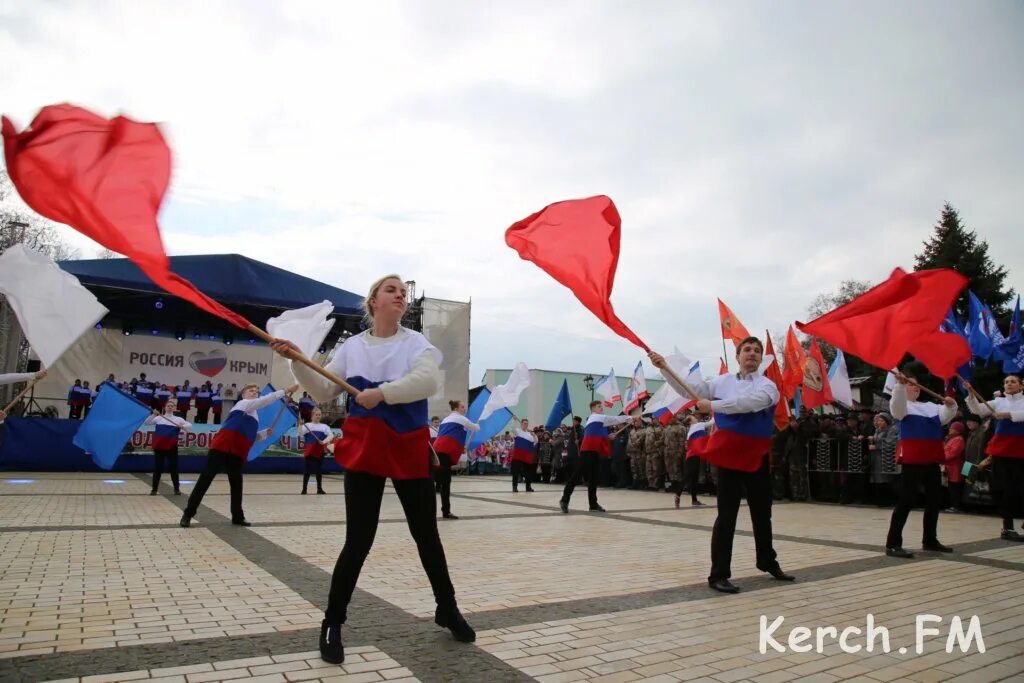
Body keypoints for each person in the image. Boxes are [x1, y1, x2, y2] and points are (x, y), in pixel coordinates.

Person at [270, 274, 475, 664]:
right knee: (358, 539)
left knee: (426, 535)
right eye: (391, 290)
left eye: (402, 292)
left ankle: (446, 608)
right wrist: (297, 362)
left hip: (407, 446)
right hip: (365, 447)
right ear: (373, 302)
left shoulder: (417, 344)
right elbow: (325, 389)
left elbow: (427, 380)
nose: (400, 295)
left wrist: (381, 393)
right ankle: (332, 621)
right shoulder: (353, 348)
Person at [651, 337, 794, 594]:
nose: (752, 353)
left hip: (756, 456)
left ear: (761, 358)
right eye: (747, 350)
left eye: (757, 351)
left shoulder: (768, 385)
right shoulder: (721, 382)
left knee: (762, 513)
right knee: (726, 515)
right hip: (728, 454)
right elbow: (688, 390)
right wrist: (664, 368)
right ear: (737, 356)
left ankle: (767, 561)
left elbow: (751, 404)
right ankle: (718, 574)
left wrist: (713, 405)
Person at [180, 382, 298, 528]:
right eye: (251, 390)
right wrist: (285, 390)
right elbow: (265, 400)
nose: (254, 392)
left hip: (237, 452)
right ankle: (188, 514)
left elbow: (250, 437)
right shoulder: (243, 404)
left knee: (237, 485)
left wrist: (264, 434)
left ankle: (237, 517)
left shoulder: (255, 416)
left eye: (256, 391)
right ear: (243, 395)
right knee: (205, 481)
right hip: (221, 447)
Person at [884, 368, 957, 558]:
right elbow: (896, 406)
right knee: (906, 500)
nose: (914, 387)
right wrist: (899, 385)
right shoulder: (903, 408)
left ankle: (930, 540)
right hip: (912, 459)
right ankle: (893, 543)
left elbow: (946, 416)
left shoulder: (931, 407)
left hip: (931, 459)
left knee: (934, 500)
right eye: (909, 384)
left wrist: (951, 405)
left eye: (915, 384)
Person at [966, 375, 1024, 541]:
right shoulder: (998, 402)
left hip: (1021, 449)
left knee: (1020, 488)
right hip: (1002, 450)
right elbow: (977, 410)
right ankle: (1008, 527)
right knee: (1005, 489)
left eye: (1013, 381)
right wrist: (971, 394)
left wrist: (1008, 415)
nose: (1009, 384)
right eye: (1006, 382)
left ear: (1021, 386)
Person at [560, 401, 631, 513]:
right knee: (577, 476)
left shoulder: (597, 420)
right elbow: (614, 419)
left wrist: (608, 437)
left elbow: (597, 434)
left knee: (593, 478)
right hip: (587, 451)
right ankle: (564, 500)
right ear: (593, 409)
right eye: (599, 406)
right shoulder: (596, 417)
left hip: (594, 451)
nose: (601, 408)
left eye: (601, 406)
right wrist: (631, 417)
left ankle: (593, 504)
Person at [433, 400, 480, 518]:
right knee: (445, 483)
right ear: (456, 408)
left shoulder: (445, 419)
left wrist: (460, 447)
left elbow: (452, 435)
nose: (465, 409)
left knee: (438, 480)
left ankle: (443, 510)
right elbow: (476, 428)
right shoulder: (461, 418)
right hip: (444, 452)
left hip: (437, 450)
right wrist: (479, 422)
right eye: (463, 407)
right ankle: (446, 511)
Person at [146, 399, 191, 495]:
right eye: (168, 406)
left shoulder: (178, 419)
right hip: (159, 447)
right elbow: (147, 423)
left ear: (174, 408)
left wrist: (182, 425)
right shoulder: (159, 418)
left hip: (172, 447)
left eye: (172, 406)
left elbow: (189, 425)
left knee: (174, 468)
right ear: (165, 408)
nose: (170, 407)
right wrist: (153, 414)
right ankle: (154, 489)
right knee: (158, 469)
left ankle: (176, 489)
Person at [677, 414, 711, 508]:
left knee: (693, 478)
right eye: (693, 418)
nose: (696, 418)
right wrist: (715, 411)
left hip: (691, 456)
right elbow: (711, 422)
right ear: (690, 421)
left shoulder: (691, 429)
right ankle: (678, 493)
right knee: (689, 476)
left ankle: (694, 500)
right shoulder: (698, 425)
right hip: (693, 456)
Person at [300, 407, 335, 495]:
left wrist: (323, 441)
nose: (318, 416)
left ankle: (319, 489)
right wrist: (300, 425)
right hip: (310, 450)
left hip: (319, 450)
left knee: (319, 470)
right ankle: (304, 489)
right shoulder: (307, 425)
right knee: (307, 470)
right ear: (312, 415)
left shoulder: (324, 427)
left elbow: (331, 435)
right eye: (316, 415)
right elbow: (300, 433)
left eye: (319, 415)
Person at [943, 422, 967, 512]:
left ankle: (956, 506)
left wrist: (941, 457)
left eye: (952, 428)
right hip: (950, 467)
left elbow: (953, 453)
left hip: (956, 467)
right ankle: (953, 505)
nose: (950, 429)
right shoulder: (952, 439)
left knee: (955, 487)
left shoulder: (959, 440)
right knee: (951, 487)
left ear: (957, 430)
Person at [510, 419, 537, 492]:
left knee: (528, 473)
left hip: (526, 456)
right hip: (517, 456)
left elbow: (535, 442)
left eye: (527, 423)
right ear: (521, 424)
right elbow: (512, 428)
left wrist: (534, 436)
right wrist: (514, 420)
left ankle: (528, 487)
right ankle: (514, 487)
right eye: (524, 423)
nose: (526, 425)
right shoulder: (518, 431)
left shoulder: (529, 434)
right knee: (515, 472)